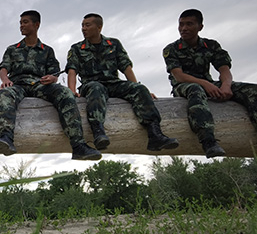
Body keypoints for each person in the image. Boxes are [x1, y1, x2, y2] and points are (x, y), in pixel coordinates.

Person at [163, 8, 257, 158]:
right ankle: (208, 141)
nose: (184, 28)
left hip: (210, 83)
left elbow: (224, 69)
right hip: (184, 86)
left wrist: (226, 85)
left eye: (189, 24)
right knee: (196, 89)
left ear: (200, 27)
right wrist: (206, 85)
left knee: (255, 90)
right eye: (181, 24)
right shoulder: (171, 49)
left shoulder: (211, 45)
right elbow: (179, 76)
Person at [0, 10, 101, 160]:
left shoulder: (47, 50)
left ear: (36, 25)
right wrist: (4, 79)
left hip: (40, 84)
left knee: (65, 93)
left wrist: (52, 78)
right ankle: (6, 138)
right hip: (18, 84)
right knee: (5, 93)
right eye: (20, 23)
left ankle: (79, 146)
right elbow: (4, 68)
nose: (21, 25)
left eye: (25, 22)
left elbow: (55, 73)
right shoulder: (12, 49)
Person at [66, 13, 179, 152]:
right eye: (82, 25)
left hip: (113, 83)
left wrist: (137, 86)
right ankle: (98, 132)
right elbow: (72, 70)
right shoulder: (77, 48)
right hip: (91, 85)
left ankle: (155, 134)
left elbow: (126, 67)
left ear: (99, 27)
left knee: (140, 89)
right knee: (96, 88)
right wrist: (71, 91)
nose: (83, 28)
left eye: (87, 25)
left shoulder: (113, 44)